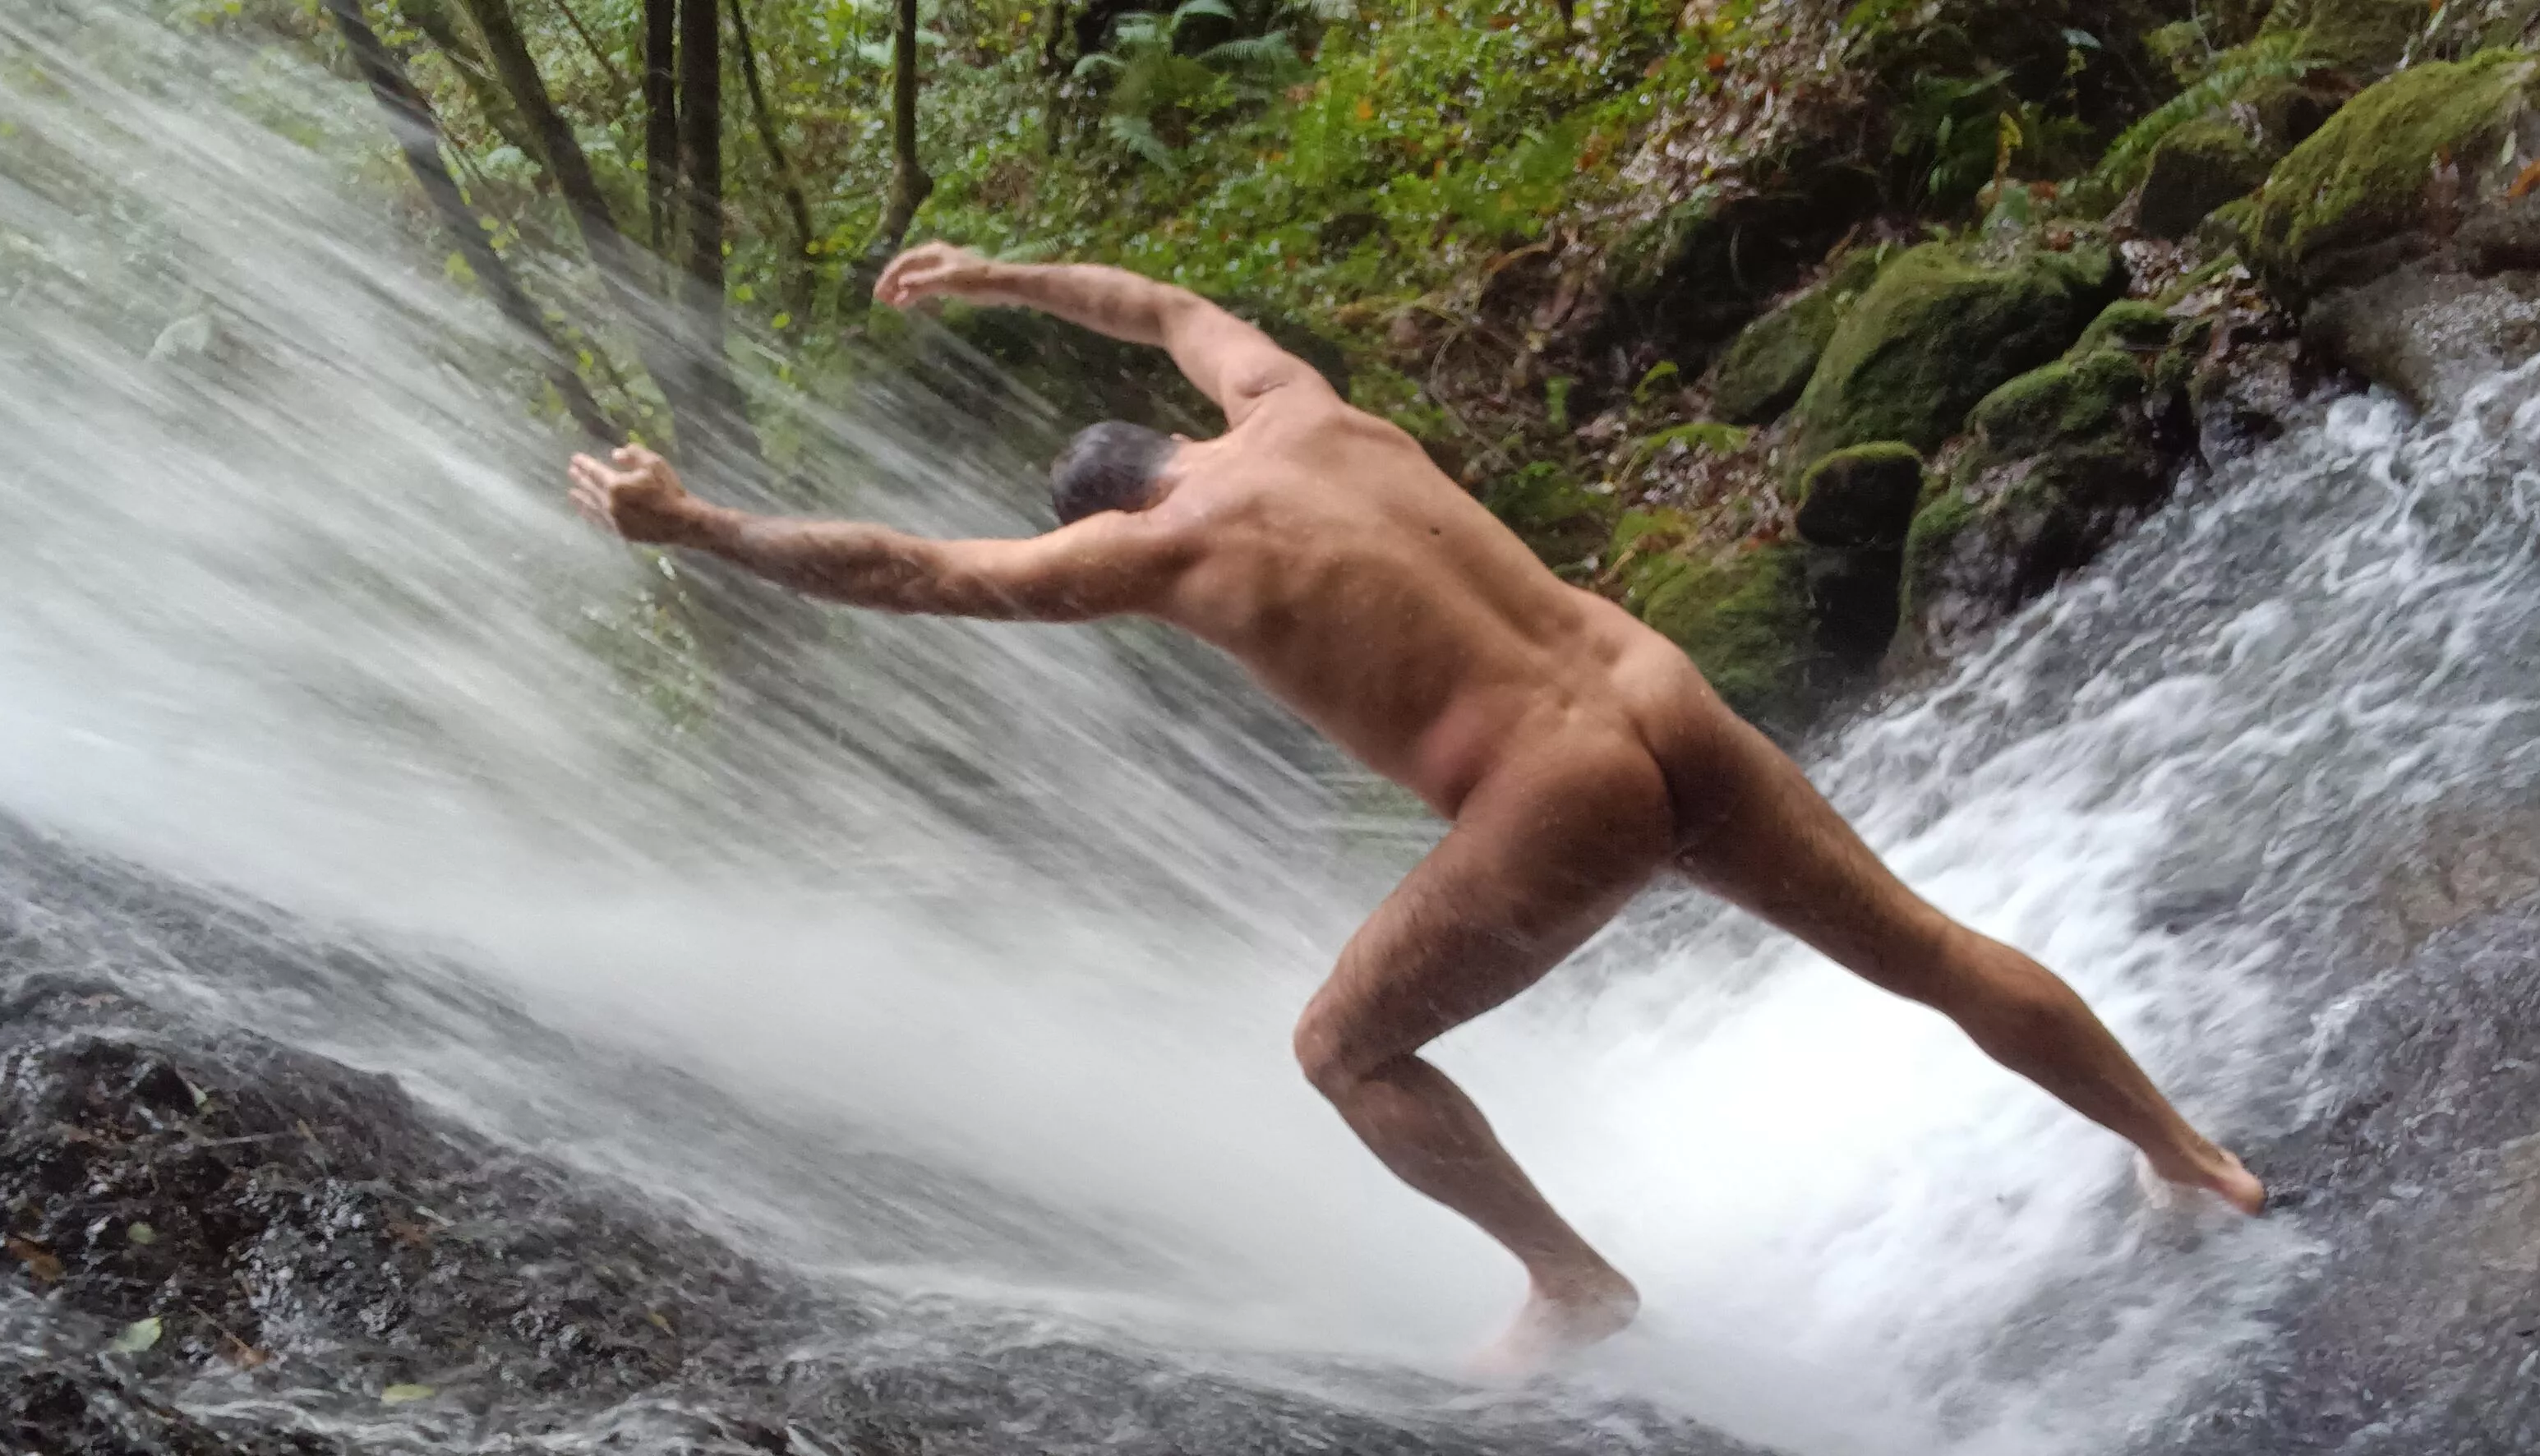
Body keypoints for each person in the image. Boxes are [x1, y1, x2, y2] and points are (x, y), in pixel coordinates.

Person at [568, 243, 2265, 1372]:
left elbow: (918, 571)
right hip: (1656, 688)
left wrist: (699, 526)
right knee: (1927, 949)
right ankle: (2191, 1162)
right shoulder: (1292, 404)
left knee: (1342, 1049)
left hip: (1551, 790)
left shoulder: (1155, 553)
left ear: (1103, 514)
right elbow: (1158, 303)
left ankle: (1575, 1284)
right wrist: (995, 273)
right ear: (1168, 434)